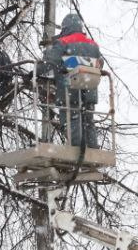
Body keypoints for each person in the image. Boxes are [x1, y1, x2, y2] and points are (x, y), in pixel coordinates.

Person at [41, 13, 102, 149]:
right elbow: (99, 65)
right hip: (89, 92)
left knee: (72, 120)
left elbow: (49, 63)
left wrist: (33, 72)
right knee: (88, 121)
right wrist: (80, 64)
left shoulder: (63, 43)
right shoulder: (93, 45)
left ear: (65, 28)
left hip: (69, 92)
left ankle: (77, 152)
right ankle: (92, 150)